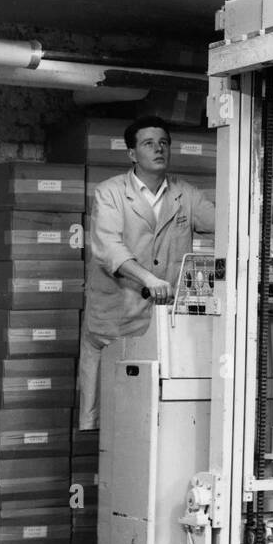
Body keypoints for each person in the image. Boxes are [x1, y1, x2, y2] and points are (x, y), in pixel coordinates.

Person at [77, 115, 217, 428]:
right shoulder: (109, 193)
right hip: (116, 317)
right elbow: (108, 248)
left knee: (153, 416)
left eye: (164, 143)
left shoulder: (185, 194)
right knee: (109, 415)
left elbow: (225, 224)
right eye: (148, 143)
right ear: (132, 154)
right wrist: (149, 279)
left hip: (164, 321)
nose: (158, 149)